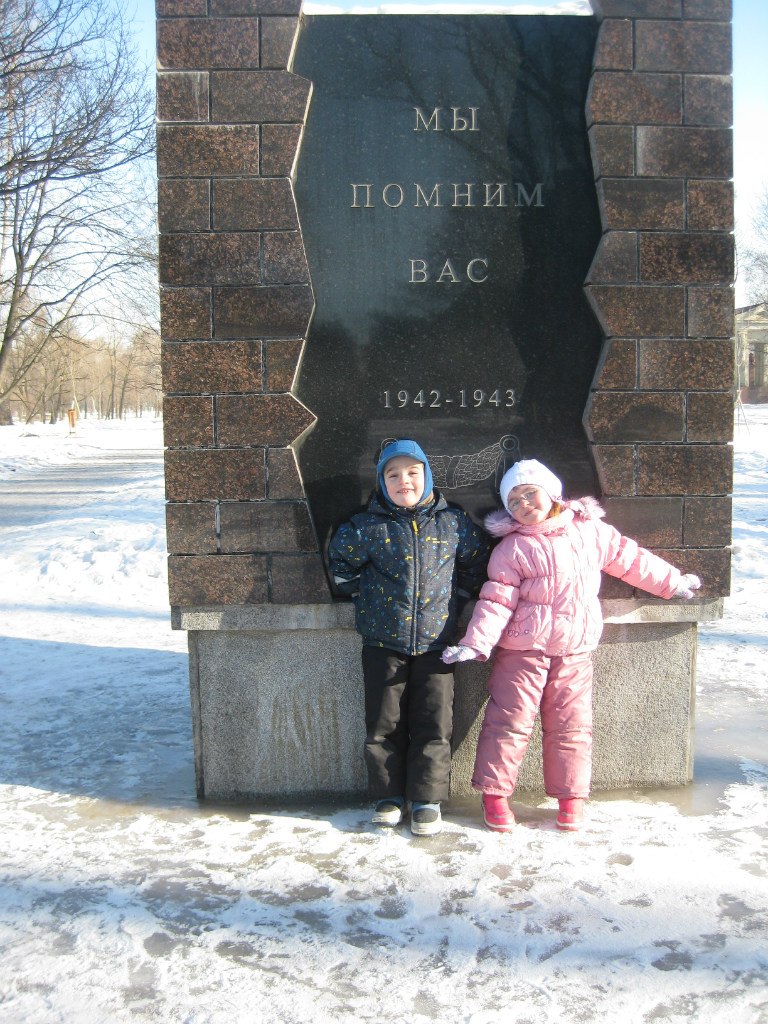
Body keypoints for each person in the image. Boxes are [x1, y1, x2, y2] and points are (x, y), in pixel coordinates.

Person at [442, 459, 702, 834]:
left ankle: (571, 799)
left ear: (551, 493)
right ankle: (496, 797)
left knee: (572, 727)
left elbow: (631, 559)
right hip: (522, 652)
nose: (524, 504)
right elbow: (496, 601)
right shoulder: (512, 549)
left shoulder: (591, 532)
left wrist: (672, 582)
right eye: (514, 500)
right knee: (508, 724)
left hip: (575, 650)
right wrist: (474, 643)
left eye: (529, 493)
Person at [328, 439, 491, 837]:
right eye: (394, 474)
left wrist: (462, 600)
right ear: (382, 482)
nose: (404, 481)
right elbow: (340, 565)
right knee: (383, 722)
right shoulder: (367, 526)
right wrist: (365, 597)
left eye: (413, 473)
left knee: (434, 722)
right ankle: (388, 796)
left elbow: (476, 564)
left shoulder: (453, 523)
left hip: (438, 645)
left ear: (427, 476)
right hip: (384, 643)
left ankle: (426, 799)